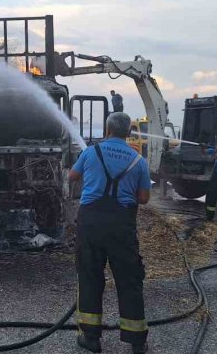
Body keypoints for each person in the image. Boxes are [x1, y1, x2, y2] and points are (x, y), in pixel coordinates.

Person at [69, 112, 152, 354]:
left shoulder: (90, 152)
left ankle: (91, 338)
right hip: (121, 227)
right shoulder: (139, 161)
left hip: (91, 224)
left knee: (90, 277)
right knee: (129, 279)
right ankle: (137, 341)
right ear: (129, 133)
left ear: (107, 130)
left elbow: (72, 176)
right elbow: (144, 199)